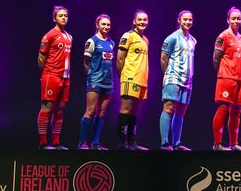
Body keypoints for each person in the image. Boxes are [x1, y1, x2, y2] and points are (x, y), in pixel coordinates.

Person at [212, 7, 241, 151]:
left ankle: (234, 144)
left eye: (238, 18)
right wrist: (222, 74)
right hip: (226, 78)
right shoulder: (223, 36)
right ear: (228, 20)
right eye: (233, 18)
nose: (236, 21)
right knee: (223, 108)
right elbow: (216, 58)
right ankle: (217, 144)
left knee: (236, 111)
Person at [159, 10, 197, 151]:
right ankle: (164, 143)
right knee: (169, 108)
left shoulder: (193, 40)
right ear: (179, 20)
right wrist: (168, 75)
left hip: (187, 81)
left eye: (190, 20)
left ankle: (177, 143)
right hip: (173, 79)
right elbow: (163, 59)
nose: (187, 22)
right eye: (185, 19)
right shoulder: (172, 38)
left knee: (181, 111)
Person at [37, 6, 73, 150]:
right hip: (51, 75)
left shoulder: (70, 37)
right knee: (47, 107)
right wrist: (45, 75)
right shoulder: (49, 35)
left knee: (60, 109)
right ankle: (43, 142)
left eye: (65, 15)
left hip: (66, 77)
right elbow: (41, 56)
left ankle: (56, 142)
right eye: (60, 15)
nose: (64, 18)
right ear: (54, 18)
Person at [77, 14, 115, 150]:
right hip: (95, 81)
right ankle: (82, 143)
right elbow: (86, 62)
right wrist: (91, 77)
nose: (106, 27)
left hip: (108, 82)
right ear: (97, 25)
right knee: (91, 111)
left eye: (108, 24)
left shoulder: (111, 43)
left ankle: (95, 143)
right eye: (103, 24)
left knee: (102, 113)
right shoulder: (92, 41)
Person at [116, 10, 151, 150]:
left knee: (134, 112)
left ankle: (132, 143)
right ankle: (123, 143)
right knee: (125, 110)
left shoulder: (146, 40)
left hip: (142, 80)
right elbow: (120, 58)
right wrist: (123, 76)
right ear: (134, 21)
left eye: (145, 20)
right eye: (140, 19)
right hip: (130, 78)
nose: (142, 22)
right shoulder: (128, 36)